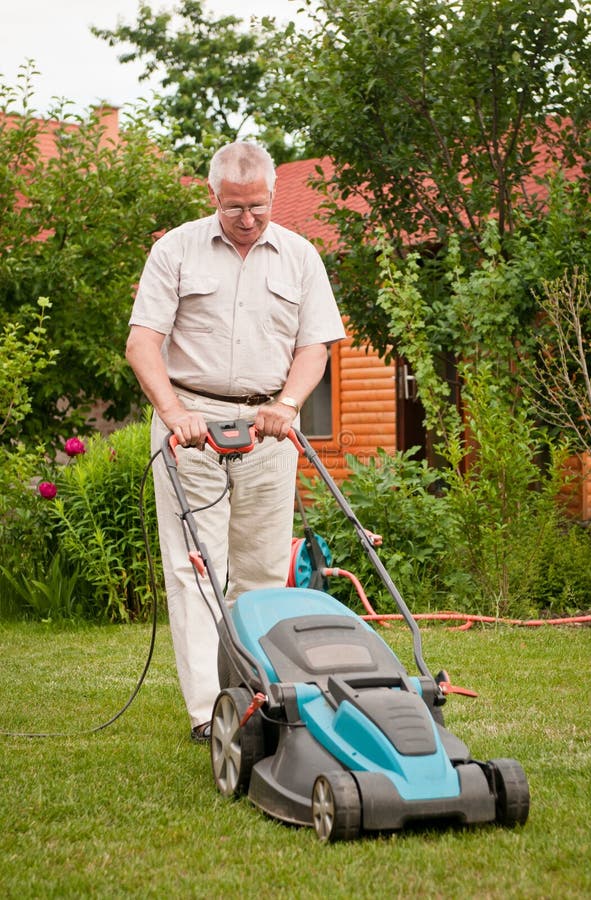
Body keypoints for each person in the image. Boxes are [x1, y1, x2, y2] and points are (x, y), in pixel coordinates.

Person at [126, 140, 345, 742]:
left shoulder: (300, 256)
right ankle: (205, 713)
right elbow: (143, 342)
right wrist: (173, 414)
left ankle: (256, 695)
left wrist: (289, 405)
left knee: (263, 570)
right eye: (234, 208)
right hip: (190, 424)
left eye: (258, 206)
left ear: (272, 195)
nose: (247, 220)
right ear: (212, 196)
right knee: (196, 568)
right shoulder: (175, 250)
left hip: (270, 424)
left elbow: (313, 347)